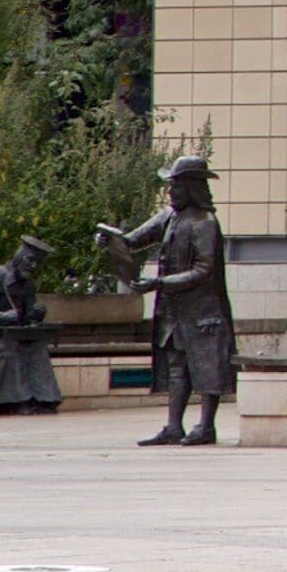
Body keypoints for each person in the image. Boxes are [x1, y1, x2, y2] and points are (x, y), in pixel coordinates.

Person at [97, 154, 235, 447]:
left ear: (192, 187)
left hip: (203, 311)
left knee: (207, 368)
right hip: (174, 311)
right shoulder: (169, 217)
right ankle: (173, 426)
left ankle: (206, 426)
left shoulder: (205, 224)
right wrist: (111, 241)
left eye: (176, 186)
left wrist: (159, 283)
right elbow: (132, 240)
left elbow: (203, 270)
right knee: (176, 365)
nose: (170, 192)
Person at [0, 235, 62, 416]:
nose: (33, 266)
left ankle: (43, 399)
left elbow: (26, 321)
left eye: (37, 263)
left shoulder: (27, 286)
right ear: (19, 257)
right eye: (30, 260)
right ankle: (10, 402)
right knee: (6, 347)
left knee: (37, 347)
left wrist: (35, 315)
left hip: (9, 333)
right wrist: (1, 317)